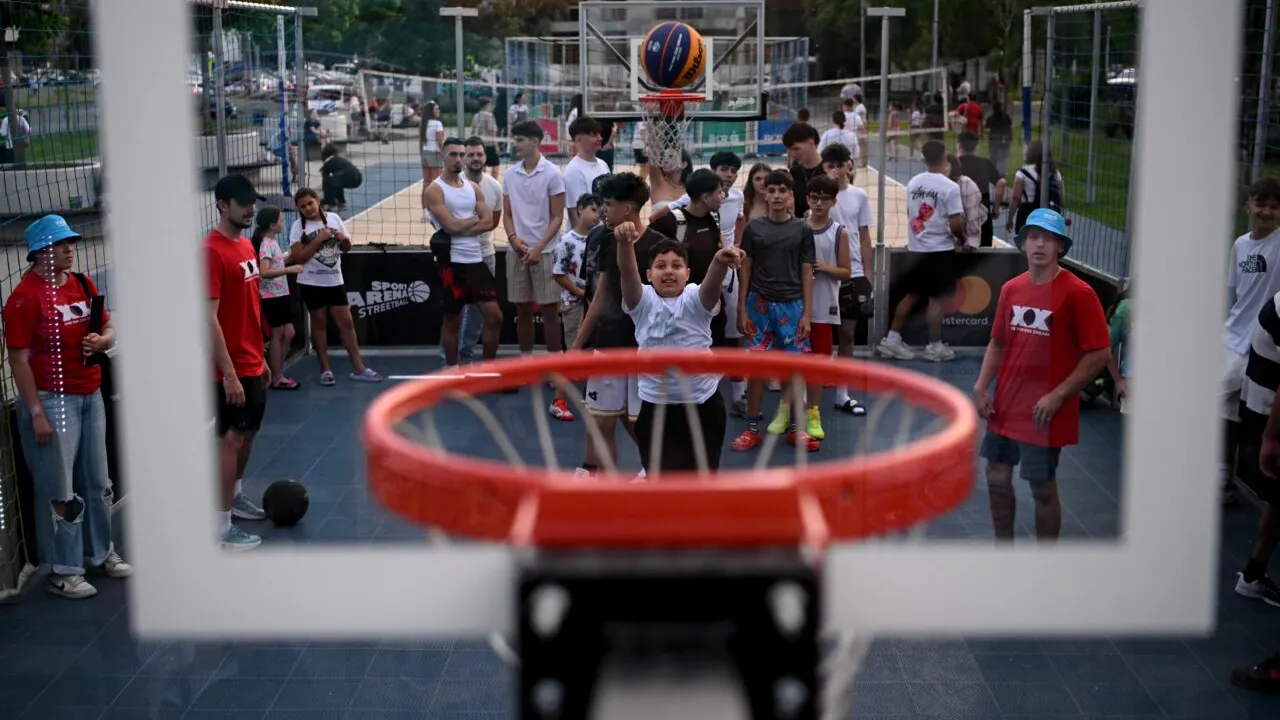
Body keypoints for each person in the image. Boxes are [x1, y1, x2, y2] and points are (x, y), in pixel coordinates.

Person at [4, 214, 132, 597]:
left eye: (70, 243)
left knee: (98, 481)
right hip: (52, 400)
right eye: (62, 244)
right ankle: (64, 569)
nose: (70, 249)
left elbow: (108, 326)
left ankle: (100, 552)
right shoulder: (25, 298)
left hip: (90, 394)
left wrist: (102, 341)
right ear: (42, 251)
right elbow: (18, 359)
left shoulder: (81, 283)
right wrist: (37, 412)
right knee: (59, 489)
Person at [973, 209, 1111, 542]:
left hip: (1044, 410)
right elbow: (998, 341)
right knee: (996, 475)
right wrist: (981, 386)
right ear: (1022, 244)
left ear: (1060, 247)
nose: (1040, 245)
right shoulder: (1011, 289)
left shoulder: (1079, 293)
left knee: (1041, 486)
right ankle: (1002, 549)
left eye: (1048, 239)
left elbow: (1100, 354)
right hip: (1006, 404)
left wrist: (1058, 395)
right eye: (1033, 237)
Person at [617, 230, 741, 474]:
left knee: (703, 474)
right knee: (661, 477)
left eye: (676, 265)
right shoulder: (642, 302)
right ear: (649, 275)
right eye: (661, 266)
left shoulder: (695, 298)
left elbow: (712, 284)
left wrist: (718, 261)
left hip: (702, 403)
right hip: (657, 405)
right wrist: (624, 244)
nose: (669, 271)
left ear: (688, 274)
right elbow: (627, 273)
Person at [206, 176, 276, 551]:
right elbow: (208, 317)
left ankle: (232, 497)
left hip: (251, 361)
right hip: (228, 368)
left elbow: (251, 306)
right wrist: (229, 373)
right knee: (230, 440)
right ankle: (220, 526)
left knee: (247, 434)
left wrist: (261, 357)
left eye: (252, 202)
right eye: (243, 202)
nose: (250, 208)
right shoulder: (211, 251)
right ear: (222, 205)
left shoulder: (247, 245)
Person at [571, 173, 656, 479]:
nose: (603, 209)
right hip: (608, 345)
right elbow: (600, 297)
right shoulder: (608, 241)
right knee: (600, 419)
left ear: (629, 208)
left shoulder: (659, 247)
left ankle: (656, 472)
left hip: (641, 351)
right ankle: (602, 483)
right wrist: (577, 346)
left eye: (609, 204)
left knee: (637, 423)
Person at [732, 170, 817, 452]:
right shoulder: (754, 228)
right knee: (756, 370)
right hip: (759, 305)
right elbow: (745, 269)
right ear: (764, 194)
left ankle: (796, 429)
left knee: (794, 371)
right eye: (772, 191)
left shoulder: (802, 229)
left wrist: (806, 313)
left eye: (783, 190)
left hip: (793, 307)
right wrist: (742, 308)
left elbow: (807, 272)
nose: (777, 196)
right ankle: (752, 428)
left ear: (791, 194)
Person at [877, 140, 965, 362]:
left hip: (916, 248)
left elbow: (912, 213)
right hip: (940, 251)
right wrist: (961, 238)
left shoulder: (913, 183)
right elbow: (955, 223)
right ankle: (934, 346)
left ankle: (892, 339)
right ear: (945, 158)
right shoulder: (950, 187)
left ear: (923, 159)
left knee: (912, 295)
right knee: (936, 301)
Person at [286, 187, 383, 385]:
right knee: (319, 322)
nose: (308, 208)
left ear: (317, 201)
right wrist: (317, 241)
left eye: (310, 203)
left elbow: (346, 248)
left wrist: (344, 240)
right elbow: (298, 258)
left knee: (346, 323)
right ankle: (325, 370)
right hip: (311, 282)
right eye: (302, 206)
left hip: (334, 281)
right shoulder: (298, 226)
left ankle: (358, 368)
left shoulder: (333, 219)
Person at [1222, 178, 1280, 507]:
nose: (1266, 211)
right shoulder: (1239, 245)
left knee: (1257, 417)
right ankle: (1220, 478)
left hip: (1266, 345)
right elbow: (1233, 292)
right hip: (1233, 338)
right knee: (1223, 412)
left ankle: (1264, 484)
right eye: (1261, 204)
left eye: (1274, 206)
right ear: (1248, 206)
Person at [425, 138, 502, 368]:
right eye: (454, 154)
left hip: (476, 261)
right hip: (452, 265)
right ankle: (452, 369)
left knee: (495, 317)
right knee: (452, 321)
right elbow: (451, 227)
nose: (458, 159)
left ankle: (489, 369)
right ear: (443, 156)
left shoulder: (473, 187)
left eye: (461, 154)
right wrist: (471, 222)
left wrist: (463, 224)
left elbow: (489, 222)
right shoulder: (435, 190)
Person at [504, 120, 567, 360]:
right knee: (522, 310)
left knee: (550, 311)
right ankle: (526, 361)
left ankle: (554, 362)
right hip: (517, 251)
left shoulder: (552, 174)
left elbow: (557, 216)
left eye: (519, 140)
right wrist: (513, 239)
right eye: (515, 140)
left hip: (546, 251)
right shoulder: (510, 175)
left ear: (535, 142)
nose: (516, 144)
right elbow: (507, 214)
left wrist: (539, 247)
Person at [796, 174, 852, 440]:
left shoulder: (839, 231)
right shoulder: (796, 227)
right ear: (807, 199)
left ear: (833, 202)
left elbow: (846, 271)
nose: (818, 203)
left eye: (824, 199)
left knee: (818, 362)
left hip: (824, 306)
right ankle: (792, 411)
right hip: (796, 306)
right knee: (793, 361)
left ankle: (813, 412)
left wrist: (823, 267)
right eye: (814, 198)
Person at [821, 144, 873, 417]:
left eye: (838, 165)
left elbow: (864, 236)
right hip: (824, 273)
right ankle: (812, 393)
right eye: (829, 165)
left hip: (852, 274)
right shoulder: (819, 196)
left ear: (848, 166)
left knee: (848, 334)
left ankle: (843, 393)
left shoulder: (858, 196)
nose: (834, 170)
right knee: (820, 334)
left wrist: (868, 274)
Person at [250, 205, 302, 390]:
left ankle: (277, 371)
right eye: (280, 221)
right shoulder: (265, 244)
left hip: (281, 294)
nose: (282, 223)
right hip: (271, 296)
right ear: (272, 225)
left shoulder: (272, 242)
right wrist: (289, 270)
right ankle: (276, 376)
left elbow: (277, 261)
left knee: (289, 333)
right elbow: (264, 271)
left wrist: (292, 256)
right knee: (278, 334)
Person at [554, 194, 600, 357]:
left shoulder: (599, 238)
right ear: (580, 209)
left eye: (600, 211)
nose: (597, 215)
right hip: (574, 303)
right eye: (593, 210)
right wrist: (581, 293)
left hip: (594, 302)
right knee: (574, 346)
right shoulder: (567, 241)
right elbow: (559, 274)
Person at [956, 131, 1006, 247]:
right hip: (982, 214)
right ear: (976, 146)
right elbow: (1001, 183)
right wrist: (996, 208)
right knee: (983, 252)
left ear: (959, 145)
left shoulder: (954, 164)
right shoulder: (985, 163)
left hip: (960, 215)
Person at [1007, 140, 1065, 236]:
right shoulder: (1055, 172)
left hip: (1028, 215)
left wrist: (1010, 218)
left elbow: (1016, 198)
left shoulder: (1023, 172)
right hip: (1049, 215)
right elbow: (1061, 196)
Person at [563, 116, 610, 227]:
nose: (600, 138)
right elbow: (575, 214)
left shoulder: (603, 164)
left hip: (603, 233)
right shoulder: (573, 171)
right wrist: (583, 241)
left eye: (599, 134)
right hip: (588, 238)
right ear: (578, 139)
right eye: (594, 135)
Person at [947, 152, 988, 252]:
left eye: (945, 164)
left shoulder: (966, 185)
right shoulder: (932, 184)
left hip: (961, 243)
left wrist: (970, 242)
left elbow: (972, 216)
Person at [784, 123, 825, 219]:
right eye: (790, 150)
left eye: (796, 149)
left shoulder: (829, 171)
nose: (793, 154)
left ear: (811, 143)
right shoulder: (794, 173)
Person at [319, 144, 362, 212]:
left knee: (329, 181)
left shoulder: (328, 162)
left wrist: (326, 199)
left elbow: (325, 180)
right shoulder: (340, 159)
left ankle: (332, 204)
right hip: (358, 178)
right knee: (337, 181)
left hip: (348, 177)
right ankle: (342, 203)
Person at [470, 96, 501, 178]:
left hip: (479, 143)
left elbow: (472, 131)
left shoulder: (476, 116)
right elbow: (492, 131)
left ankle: (482, 181)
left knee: (482, 164)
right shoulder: (489, 116)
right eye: (490, 104)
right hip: (489, 144)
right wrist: (496, 145)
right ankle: (494, 181)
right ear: (487, 105)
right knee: (496, 164)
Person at [418, 101, 445, 193]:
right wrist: (444, 154)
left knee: (426, 182)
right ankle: (433, 204)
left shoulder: (423, 124)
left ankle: (425, 206)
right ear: (431, 111)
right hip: (435, 154)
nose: (439, 111)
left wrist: (421, 155)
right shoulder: (437, 124)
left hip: (425, 153)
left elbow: (421, 142)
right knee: (437, 182)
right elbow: (440, 141)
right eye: (436, 109)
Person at [986, 101, 1014, 177]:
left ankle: (993, 173)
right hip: (1004, 140)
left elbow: (987, 131)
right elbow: (1010, 128)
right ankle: (1001, 174)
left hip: (993, 142)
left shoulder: (990, 119)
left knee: (994, 157)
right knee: (1002, 158)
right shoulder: (1006, 117)